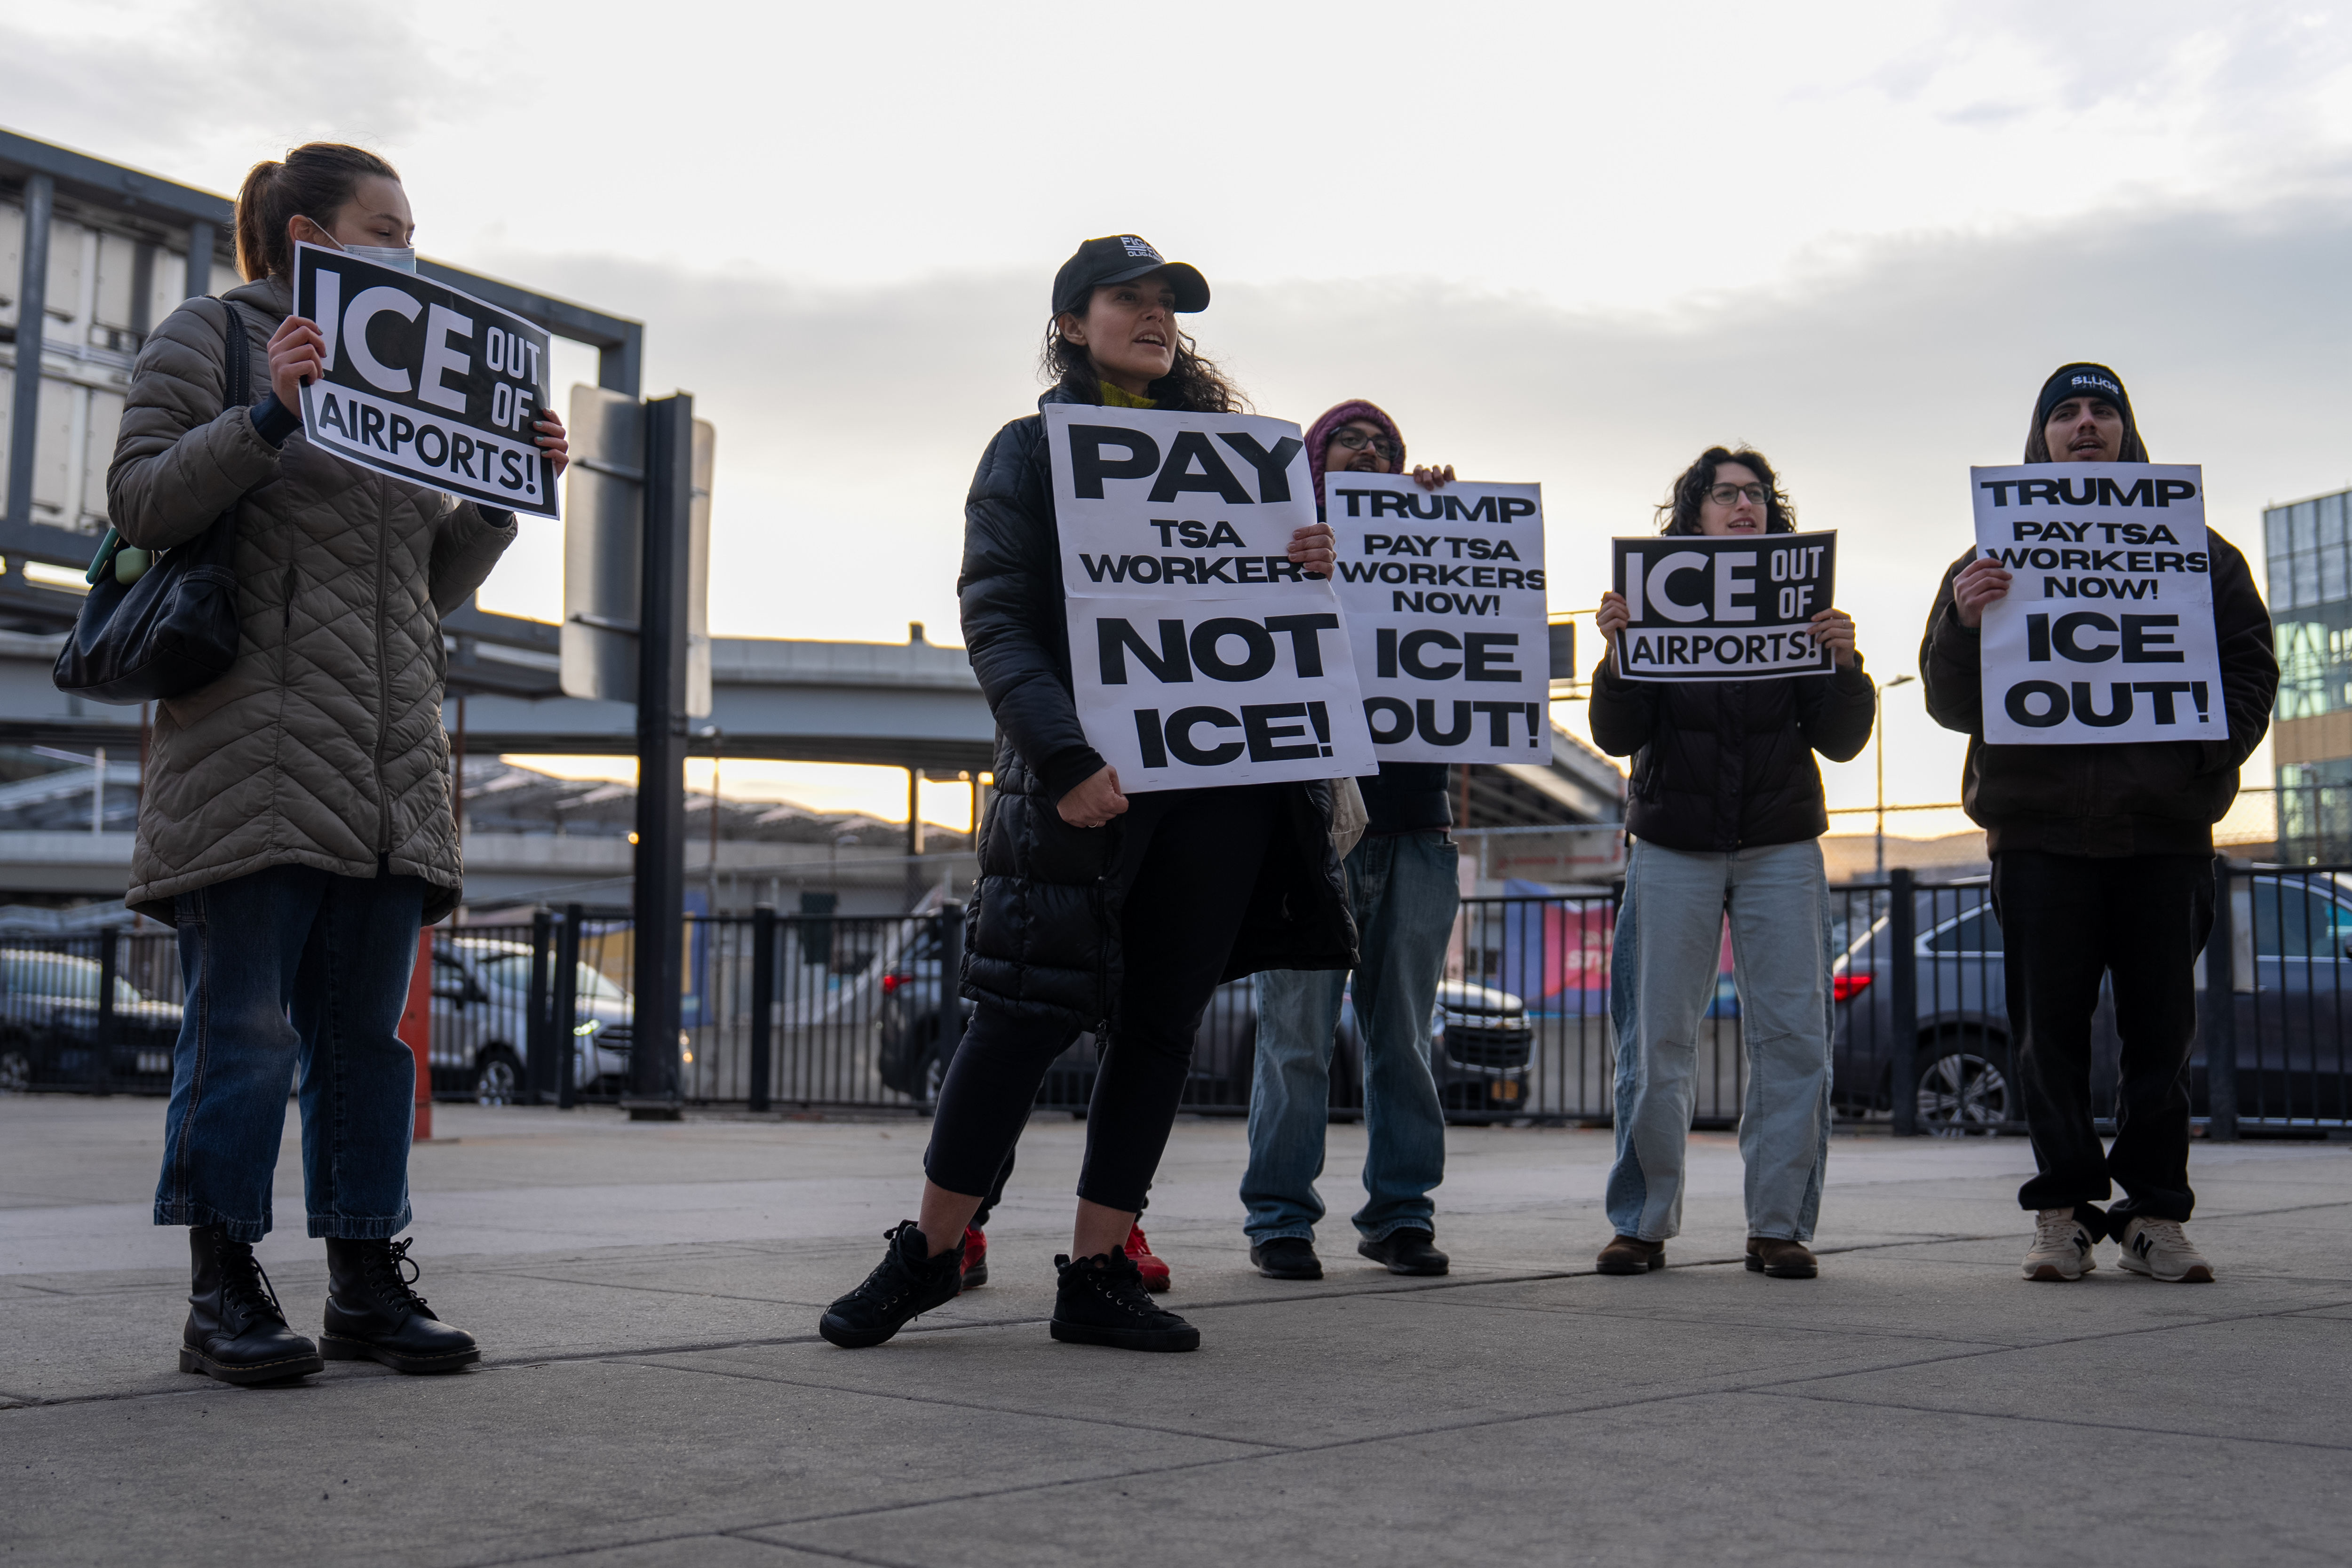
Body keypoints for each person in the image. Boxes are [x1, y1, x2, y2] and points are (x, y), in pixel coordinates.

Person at [818, 236, 1354, 1353]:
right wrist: (1064, 762)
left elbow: (1290, 632)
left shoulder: (1245, 463)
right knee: (1016, 1016)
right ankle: (926, 1253)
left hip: (1222, 783)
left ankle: (1099, 1270)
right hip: (1083, 782)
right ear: (1071, 322)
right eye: (1129, 299)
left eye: (1168, 304)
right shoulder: (1029, 452)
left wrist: (1309, 563)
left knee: (1159, 1031)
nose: (1154, 316)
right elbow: (998, 619)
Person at [111, 143, 567, 1384]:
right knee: (246, 1029)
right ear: (313, 236)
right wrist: (268, 413)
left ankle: (366, 1275)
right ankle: (225, 1282)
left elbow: (426, 585)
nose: (411, 248)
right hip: (249, 749)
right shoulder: (212, 334)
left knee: (366, 1040)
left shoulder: (410, 375)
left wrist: (500, 494)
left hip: (387, 763)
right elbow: (139, 499)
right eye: (389, 227)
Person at [1920, 364, 2276, 1284]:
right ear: (2039, 439)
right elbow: (1948, 699)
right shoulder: (1983, 564)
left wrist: (2202, 755)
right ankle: (2061, 1213)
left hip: (2163, 837)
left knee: (2162, 1041)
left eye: (2101, 411)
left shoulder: (2205, 553)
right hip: (2039, 837)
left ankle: (2155, 1214)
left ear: (2126, 430)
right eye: (2065, 413)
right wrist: (1964, 624)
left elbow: (2249, 670)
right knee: (2047, 1043)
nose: (2084, 426)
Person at [1588, 447, 1871, 1280]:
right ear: (1695, 514)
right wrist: (1618, 654)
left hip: (1781, 842)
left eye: (1755, 495)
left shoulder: (1803, 608)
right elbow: (1615, 735)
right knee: (1656, 1038)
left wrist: (1845, 665)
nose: (1742, 506)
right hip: (1674, 842)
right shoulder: (1652, 602)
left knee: (1795, 1039)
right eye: (1724, 495)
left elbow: (1843, 740)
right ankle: (1640, 1224)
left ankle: (1779, 1226)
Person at [1242, 401, 1461, 1282]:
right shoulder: (1279, 538)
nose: (1371, 451)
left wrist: (1437, 515)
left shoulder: (1428, 534)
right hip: (1312, 822)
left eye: (1387, 445)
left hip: (1416, 821)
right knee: (1295, 1034)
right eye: (1351, 441)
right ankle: (1280, 1217)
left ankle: (1401, 1213)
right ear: (1314, 461)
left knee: (1402, 1035)